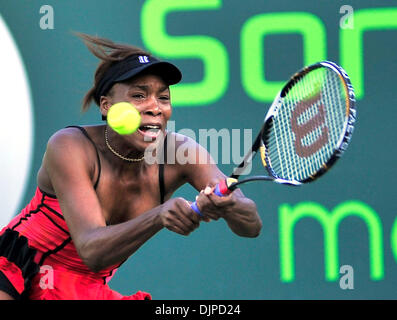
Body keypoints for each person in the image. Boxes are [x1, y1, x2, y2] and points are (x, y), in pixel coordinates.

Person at [0, 33, 262, 300]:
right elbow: (92, 250)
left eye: (163, 98)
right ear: (107, 105)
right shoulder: (69, 146)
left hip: (85, 291)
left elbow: (251, 226)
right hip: (16, 269)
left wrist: (229, 206)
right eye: (139, 95)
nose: (155, 107)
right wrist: (159, 216)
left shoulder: (183, 152)